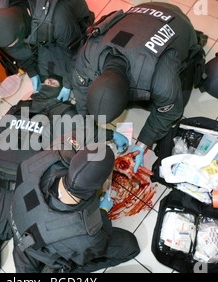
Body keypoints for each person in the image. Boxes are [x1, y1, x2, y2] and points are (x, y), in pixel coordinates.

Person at [0, 78, 129, 273]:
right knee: (29, 254)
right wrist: (110, 135)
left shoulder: (17, 108)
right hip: (33, 194)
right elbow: (83, 132)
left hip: (4, 188)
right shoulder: (63, 112)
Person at [72, 2, 207, 174]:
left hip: (178, 23)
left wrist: (143, 143)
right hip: (142, 10)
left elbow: (169, 112)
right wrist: (88, 126)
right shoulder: (89, 53)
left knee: (177, 97)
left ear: (129, 94)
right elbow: (80, 86)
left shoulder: (159, 79)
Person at [10, 144, 140, 273]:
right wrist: (103, 211)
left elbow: (83, 166)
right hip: (46, 243)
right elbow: (100, 242)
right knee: (130, 247)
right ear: (99, 185)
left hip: (22, 226)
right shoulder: (85, 234)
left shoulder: (33, 163)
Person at [0, 0, 94, 102]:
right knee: (44, 73)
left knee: (75, 76)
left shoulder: (58, 20)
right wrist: (32, 72)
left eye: (13, 43)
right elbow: (18, 53)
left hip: (73, 23)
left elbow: (75, 53)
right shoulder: (0, 16)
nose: (11, 47)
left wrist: (68, 84)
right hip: (43, 31)